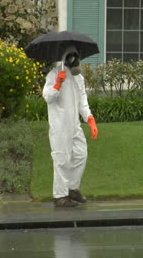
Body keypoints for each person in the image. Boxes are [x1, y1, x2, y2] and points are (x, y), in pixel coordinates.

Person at [42, 46, 98, 207]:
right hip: (60, 125)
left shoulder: (78, 78)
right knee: (62, 159)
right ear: (66, 58)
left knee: (81, 155)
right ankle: (60, 195)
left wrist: (90, 119)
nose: (75, 61)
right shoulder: (54, 74)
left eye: (77, 57)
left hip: (74, 124)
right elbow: (48, 98)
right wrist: (58, 84)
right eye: (72, 58)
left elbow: (82, 101)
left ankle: (72, 188)